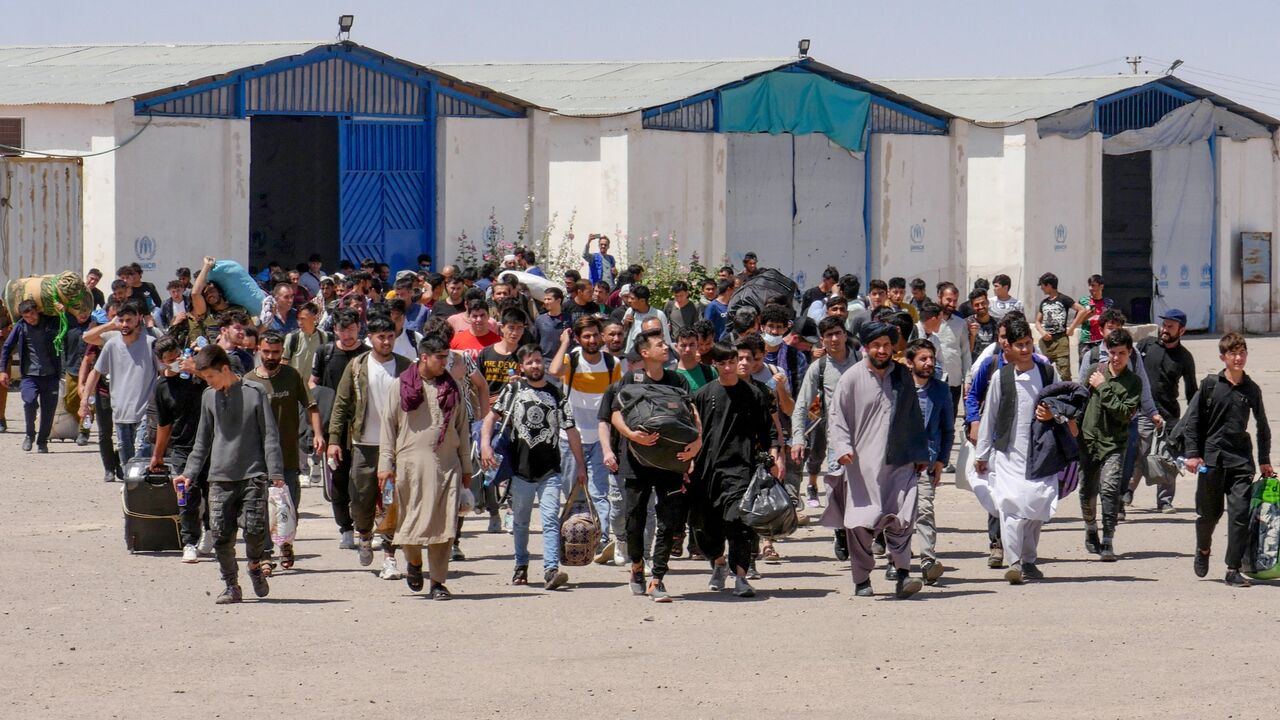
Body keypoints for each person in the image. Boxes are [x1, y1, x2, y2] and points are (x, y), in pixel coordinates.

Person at [822, 322, 930, 599]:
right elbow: (837, 417)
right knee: (860, 522)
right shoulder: (851, 378)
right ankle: (861, 578)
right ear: (867, 347)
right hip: (862, 465)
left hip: (900, 460)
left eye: (887, 345)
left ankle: (904, 574)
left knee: (903, 517)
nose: (882, 350)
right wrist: (843, 447)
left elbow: (913, 416)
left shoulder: (902, 376)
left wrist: (921, 454)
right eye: (877, 345)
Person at [174, 344, 284, 604]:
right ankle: (231, 585)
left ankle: (255, 565)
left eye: (211, 377)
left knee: (256, 530)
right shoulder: (209, 397)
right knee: (222, 534)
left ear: (225, 369)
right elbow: (202, 441)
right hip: (219, 478)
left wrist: (276, 472)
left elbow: (269, 434)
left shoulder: (255, 392)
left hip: (252, 473)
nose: (209, 383)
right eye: (205, 379)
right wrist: (188, 473)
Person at [602, 329, 702, 602]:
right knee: (635, 519)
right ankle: (636, 568)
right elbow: (614, 413)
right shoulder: (630, 379)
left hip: (671, 461)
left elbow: (693, 413)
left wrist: (697, 443)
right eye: (660, 345)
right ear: (645, 353)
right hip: (637, 461)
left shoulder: (678, 380)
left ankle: (657, 577)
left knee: (669, 520)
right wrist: (631, 435)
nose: (665, 347)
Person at [482, 345, 587, 589]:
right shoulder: (514, 389)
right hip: (520, 470)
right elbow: (491, 417)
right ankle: (521, 565)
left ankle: (551, 570)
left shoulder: (556, 393)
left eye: (538, 361)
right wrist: (485, 446)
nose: (535, 366)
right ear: (522, 367)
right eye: (529, 362)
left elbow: (571, 430)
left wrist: (580, 465)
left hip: (550, 470)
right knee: (520, 521)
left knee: (550, 519)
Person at [377, 333, 473, 599]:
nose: (445, 362)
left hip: (447, 466)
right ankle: (415, 563)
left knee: (445, 527)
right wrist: (385, 465)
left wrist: (467, 467)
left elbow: (463, 429)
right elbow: (388, 428)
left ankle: (438, 583)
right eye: (440, 358)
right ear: (424, 357)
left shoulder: (453, 387)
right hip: (410, 467)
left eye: (447, 357)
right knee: (410, 524)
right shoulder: (400, 386)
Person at [973, 317, 1063, 584]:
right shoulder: (1001, 377)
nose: (1024, 350)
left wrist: (1052, 415)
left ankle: (1030, 559)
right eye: (1019, 345)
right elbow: (989, 417)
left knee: (1036, 505)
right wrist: (982, 454)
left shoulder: (1048, 373)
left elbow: (1063, 406)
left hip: (1041, 449)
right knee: (1011, 506)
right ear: (1008, 348)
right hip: (1008, 452)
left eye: (1027, 344)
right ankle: (1014, 563)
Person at [1182, 332, 1272, 587]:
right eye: (1233, 353)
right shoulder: (1210, 385)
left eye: (1242, 352)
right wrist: (1192, 454)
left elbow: (1262, 426)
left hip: (1241, 461)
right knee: (1209, 515)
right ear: (1223, 357)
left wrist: (1264, 459)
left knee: (1240, 515)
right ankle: (1203, 549)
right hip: (1211, 460)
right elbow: (1193, 422)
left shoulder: (1251, 389)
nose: (1238, 357)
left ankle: (1233, 568)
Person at [689, 342, 776, 598]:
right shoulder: (703, 395)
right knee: (707, 528)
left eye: (732, 361)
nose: (728, 367)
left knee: (737, 522)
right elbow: (693, 433)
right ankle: (717, 562)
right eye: (722, 362)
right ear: (714, 364)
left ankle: (741, 577)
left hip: (742, 469)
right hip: (707, 472)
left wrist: (775, 455)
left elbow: (768, 431)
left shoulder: (754, 394)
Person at [327, 316, 412, 569]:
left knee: (392, 501)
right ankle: (364, 535)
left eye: (389, 336)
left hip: (396, 446)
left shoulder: (406, 367)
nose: (386, 341)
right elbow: (341, 405)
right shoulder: (356, 366)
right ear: (370, 338)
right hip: (364, 444)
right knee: (361, 499)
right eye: (380, 337)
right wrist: (334, 440)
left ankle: (390, 556)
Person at [244, 331, 324, 571]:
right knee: (263, 507)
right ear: (259, 349)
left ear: (282, 352)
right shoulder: (248, 381)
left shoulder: (292, 376)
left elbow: (311, 406)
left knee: (289, 505)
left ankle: (286, 543)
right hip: (259, 457)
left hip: (288, 454)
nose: (271, 356)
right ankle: (266, 553)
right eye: (266, 351)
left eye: (276, 352)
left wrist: (318, 434)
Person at [550, 315, 623, 562]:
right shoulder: (572, 359)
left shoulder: (612, 363)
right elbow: (554, 370)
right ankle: (573, 540)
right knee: (573, 490)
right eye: (586, 336)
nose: (592, 340)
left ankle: (601, 541)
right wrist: (564, 343)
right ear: (579, 339)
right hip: (571, 437)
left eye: (595, 335)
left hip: (600, 438)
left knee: (599, 491)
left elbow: (616, 400)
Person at [790, 317, 859, 533]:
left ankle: (863, 533)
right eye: (829, 335)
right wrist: (799, 438)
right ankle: (841, 529)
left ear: (845, 334)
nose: (835, 338)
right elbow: (801, 405)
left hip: (866, 436)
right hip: (836, 439)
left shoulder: (862, 361)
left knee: (866, 490)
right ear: (822, 340)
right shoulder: (818, 368)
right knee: (836, 486)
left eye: (838, 333)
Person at [1079, 328, 1142, 561]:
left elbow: (1125, 414)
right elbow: (1079, 400)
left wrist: (1103, 387)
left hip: (1114, 444)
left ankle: (1108, 539)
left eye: (1121, 353)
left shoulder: (1133, 382)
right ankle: (1090, 529)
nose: (1116, 358)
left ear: (1129, 353)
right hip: (1088, 440)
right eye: (1112, 352)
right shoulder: (1094, 371)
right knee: (1086, 491)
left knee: (1109, 489)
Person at [149, 336, 212, 563]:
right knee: (186, 495)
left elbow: (221, 384)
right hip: (182, 448)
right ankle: (189, 542)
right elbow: (163, 424)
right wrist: (157, 454)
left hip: (209, 444)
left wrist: (196, 370)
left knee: (211, 493)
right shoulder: (162, 386)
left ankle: (210, 531)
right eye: (169, 360)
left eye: (177, 357)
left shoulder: (198, 376)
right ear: (162, 362)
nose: (176, 362)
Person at [1127, 310, 1197, 513]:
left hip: (1169, 415)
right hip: (1143, 412)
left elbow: (1192, 391)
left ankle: (1165, 501)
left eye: (1170, 327)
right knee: (1139, 455)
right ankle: (1127, 491)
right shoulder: (1146, 345)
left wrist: (1192, 419)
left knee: (1169, 459)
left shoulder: (1185, 357)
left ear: (1181, 330)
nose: (1164, 330)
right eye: (1164, 325)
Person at [78, 302, 159, 464]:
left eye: (129, 320)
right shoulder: (111, 344)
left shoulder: (151, 343)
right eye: (121, 320)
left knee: (141, 459)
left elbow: (165, 372)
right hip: (121, 413)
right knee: (126, 463)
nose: (124, 324)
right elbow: (96, 372)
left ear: (139, 319)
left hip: (145, 413)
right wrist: (84, 400)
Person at [903, 339, 954, 585]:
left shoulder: (941, 391)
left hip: (927, 461)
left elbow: (947, 430)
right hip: (898, 461)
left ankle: (927, 560)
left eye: (931, 358)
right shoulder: (898, 388)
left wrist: (941, 461)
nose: (929, 363)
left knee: (924, 509)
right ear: (909, 362)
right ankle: (897, 561)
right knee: (899, 514)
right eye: (923, 359)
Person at [0, 299, 62, 452]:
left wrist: (62, 311)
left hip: (51, 375)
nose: (31, 319)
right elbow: (7, 347)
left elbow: (68, 325)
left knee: (48, 410)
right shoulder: (21, 326)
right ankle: (29, 435)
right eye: (27, 317)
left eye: (33, 315)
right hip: (30, 375)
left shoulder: (51, 322)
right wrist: (2, 370)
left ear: (38, 311)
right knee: (29, 402)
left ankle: (42, 442)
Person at [1033, 272, 1080, 382]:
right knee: (1041, 370)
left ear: (1049, 285)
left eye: (1042, 285)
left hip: (1061, 341)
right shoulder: (1044, 303)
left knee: (1065, 374)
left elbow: (1081, 310)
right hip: (1046, 342)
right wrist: (1042, 332)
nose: (1041, 288)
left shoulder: (1063, 299)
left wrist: (1072, 327)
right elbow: (1037, 322)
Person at [935, 282, 972, 419]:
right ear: (939, 297)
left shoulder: (960, 323)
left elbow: (965, 353)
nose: (952, 304)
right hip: (934, 380)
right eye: (948, 300)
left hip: (954, 381)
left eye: (955, 300)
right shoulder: (928, 320)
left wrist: (967, 379)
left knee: (949, 422)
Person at [1069, 274, 1114, 368]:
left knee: (1103, 367)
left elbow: (1111, 323)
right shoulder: (1083, 301)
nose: (1090, 288)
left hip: (1103, 340)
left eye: (1093, 285)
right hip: (1086, 341)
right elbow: (1077, 322)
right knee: (1085, 367)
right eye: (1089, 285)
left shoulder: (1108, 303)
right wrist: (1087, 315)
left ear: (1101, 286)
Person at [622, 284, 671, 353]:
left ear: (642, 301)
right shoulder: (630, 311)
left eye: (632, 298)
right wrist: (626, 324)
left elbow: (666, 337)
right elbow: (623, 333)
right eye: (629, 297)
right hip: (633, 354)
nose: (629, 301)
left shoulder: (658, 315)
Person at [671, 327, 716, 391]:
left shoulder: (710, 372)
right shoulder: (670, 375)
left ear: (697, 345)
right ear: (676, 347)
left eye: (691, 345)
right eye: (683, 345)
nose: (688, 349)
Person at [534, 287, 571, 362]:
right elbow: (535, 340)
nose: (546, 302)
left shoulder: (569, 319)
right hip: (545, 360)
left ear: (558, 301)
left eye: (549, 299)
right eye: (545, 299)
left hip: (564, 359)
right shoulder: (540, 320)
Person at [966, 289, 997, 361]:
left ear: (988, 302)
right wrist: (972, 336)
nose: (980, 307)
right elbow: (966, 352)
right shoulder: (966, 323)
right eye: (977, 305)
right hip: (973, 366)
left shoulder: (997, 323)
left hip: (992, 366)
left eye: (983, 303)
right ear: (972, 306)